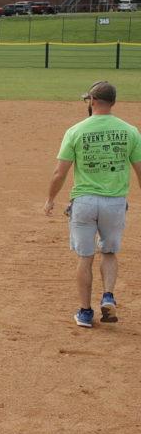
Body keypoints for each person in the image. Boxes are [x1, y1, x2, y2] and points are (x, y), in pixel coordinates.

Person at [44, 80, 141, 327]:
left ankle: (85, 312)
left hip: (84, 202)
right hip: (115, 203)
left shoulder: (76, 131)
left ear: (93, 101)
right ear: (114, 102)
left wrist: (50, 200)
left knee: (85, 257)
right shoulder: (130, 131)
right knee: (108, 252)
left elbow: (59, 172)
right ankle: (108, 295)